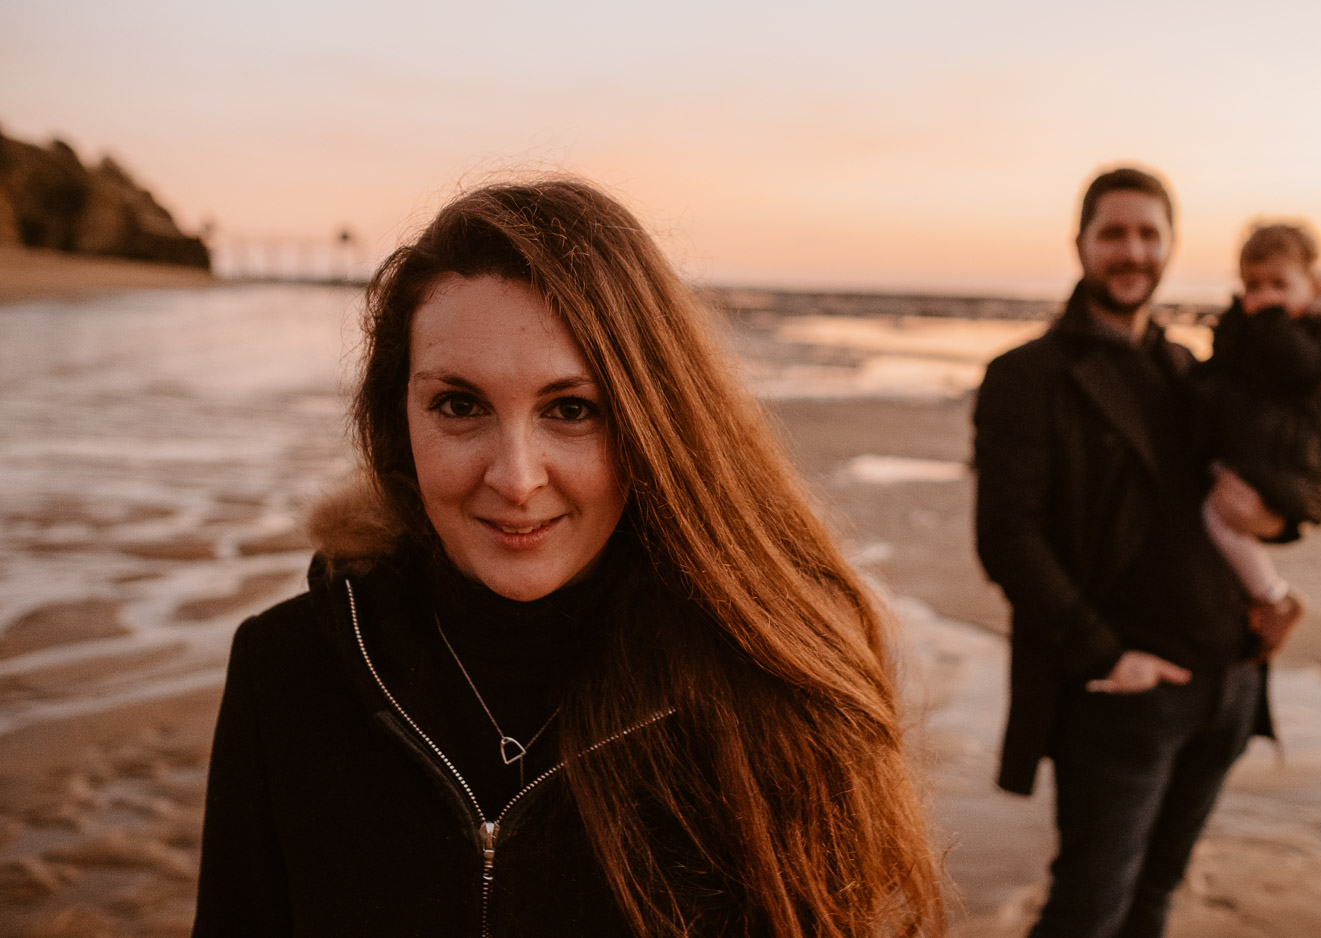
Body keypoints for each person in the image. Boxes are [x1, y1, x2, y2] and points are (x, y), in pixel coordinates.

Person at [193, 178, 946, 937]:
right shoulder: (286, 668)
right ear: (398, 421)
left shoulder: (763, 692)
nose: (516, 479)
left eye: (571, 409)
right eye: (460, 405)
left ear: (653, 425)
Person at [972, 166, 1275, 938]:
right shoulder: (1026, 377)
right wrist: (1108, 657)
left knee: (1154, 901)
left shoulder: (1187, 372)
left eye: (1148, 233)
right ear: (1081, 245)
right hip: (1124, 700)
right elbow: (1006, 537)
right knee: (1087, 913)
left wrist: (1276, 563)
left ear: (1170, 246)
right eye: (1115, 233)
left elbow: (1249, 494)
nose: (1132, 251)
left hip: (1228, 688)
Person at [1198, 222, 1321, 657]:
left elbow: (1303, 370)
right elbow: (1220, 381)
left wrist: (1265, 318)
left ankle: (1273, 597)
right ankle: (1258, 599)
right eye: (1253, 285)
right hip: (1262, 459)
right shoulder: (1258, 330)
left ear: (1314, 287)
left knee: (1218, 514)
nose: (1264, 296)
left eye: (1278, 285)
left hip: (1299, 471)